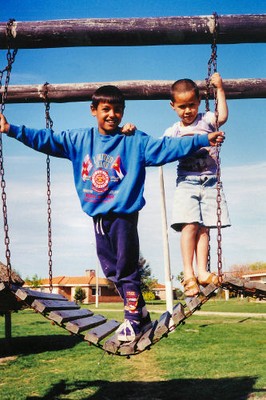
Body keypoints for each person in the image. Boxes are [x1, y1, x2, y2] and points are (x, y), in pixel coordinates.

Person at [0, 85, 224, 341]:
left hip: (124, 216)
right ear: (93, 110)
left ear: (123, 112)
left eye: (118, 110)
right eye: (106, 109)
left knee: (126, 267)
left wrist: (202, 139)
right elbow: (46, 139)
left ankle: (131, 320)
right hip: (98, 218)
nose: (112, 115)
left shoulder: (134, 141)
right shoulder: (79, 140)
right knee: (111, 271)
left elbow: (167, 147)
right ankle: (139, 311)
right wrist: (11, 129)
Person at [163, 73, 231, 297]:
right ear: (173, 106)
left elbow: (223, 115)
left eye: (192, 105)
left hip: (210, 182)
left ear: (199, 102)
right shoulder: (173, 131)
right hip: (187, 183)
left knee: (205, 229)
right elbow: (162, 149)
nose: (187, 111)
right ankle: (188, 274)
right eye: (182, 107)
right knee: (189, 226)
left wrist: (219, 88)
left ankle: (202, 271)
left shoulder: (207, 119)